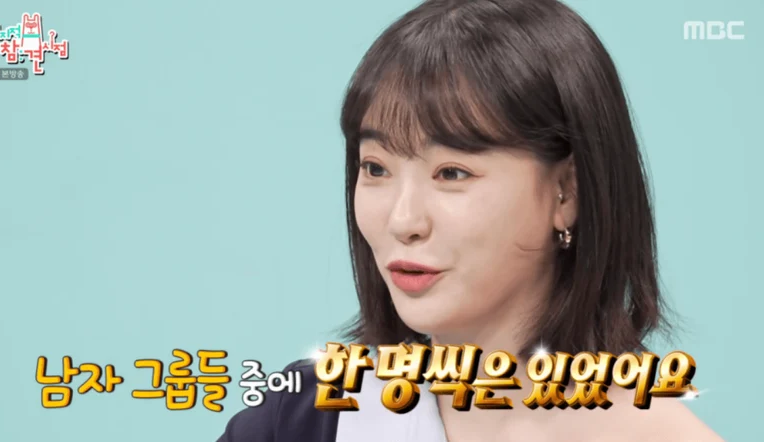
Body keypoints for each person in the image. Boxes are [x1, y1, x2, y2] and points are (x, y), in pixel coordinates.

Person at [218, 0, 723, 440]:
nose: (403, 220)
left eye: (452, 173)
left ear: (567, 192)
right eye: (375, 168)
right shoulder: (305, 419)